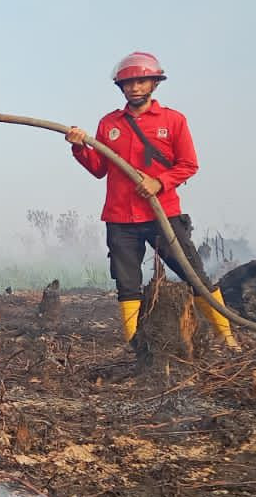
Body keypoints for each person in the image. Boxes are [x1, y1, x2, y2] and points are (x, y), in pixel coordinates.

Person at [64, 52, 240, 351]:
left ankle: (227, 338)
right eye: (128, 83)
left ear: (154, 84)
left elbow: (188, 165)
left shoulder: (173, 121)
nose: (134, 88)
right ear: (121, 87)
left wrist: (159, 182)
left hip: (163, 216)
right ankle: (135, 347)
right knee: (127, 284)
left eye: (141, 81)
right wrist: (80, 148)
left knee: (195, 276)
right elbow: (99, 169)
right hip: (120, 219)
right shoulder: (109, 123)